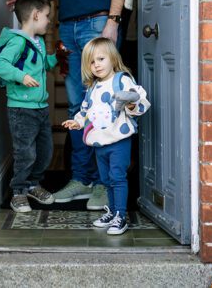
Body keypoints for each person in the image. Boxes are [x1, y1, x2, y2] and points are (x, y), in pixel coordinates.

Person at [9, 0, 125, 210]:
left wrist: (113, 22)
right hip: (69, 28)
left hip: (98, 24)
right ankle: (82, 180)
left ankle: (105, 184)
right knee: (77, 108)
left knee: (104, 106)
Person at [63, 37, 149, 235]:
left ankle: (121, 215)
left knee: (117, 177)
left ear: (112, 57)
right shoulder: (92, 87)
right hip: (99, 142)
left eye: (101, 59)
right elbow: (85, 111)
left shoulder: (122, 80)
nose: (96, 65)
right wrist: (78, 122)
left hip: (118, 141)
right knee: (106, 179)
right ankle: (112, 212)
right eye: (92, 62)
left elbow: (139, 100)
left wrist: (130, 103)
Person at [0, 0, 58, 213]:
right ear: (36, 15)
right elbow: (0, 64)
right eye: (47, 15)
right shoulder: (18, 42)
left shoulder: (37, 42)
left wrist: (56, 55)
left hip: (40, 108)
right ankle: (18, 191)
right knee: (26, 153)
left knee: (45, 151)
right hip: (21, 109)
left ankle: (33, 184)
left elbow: (44, 67)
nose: (49, 20)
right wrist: (21, 77)